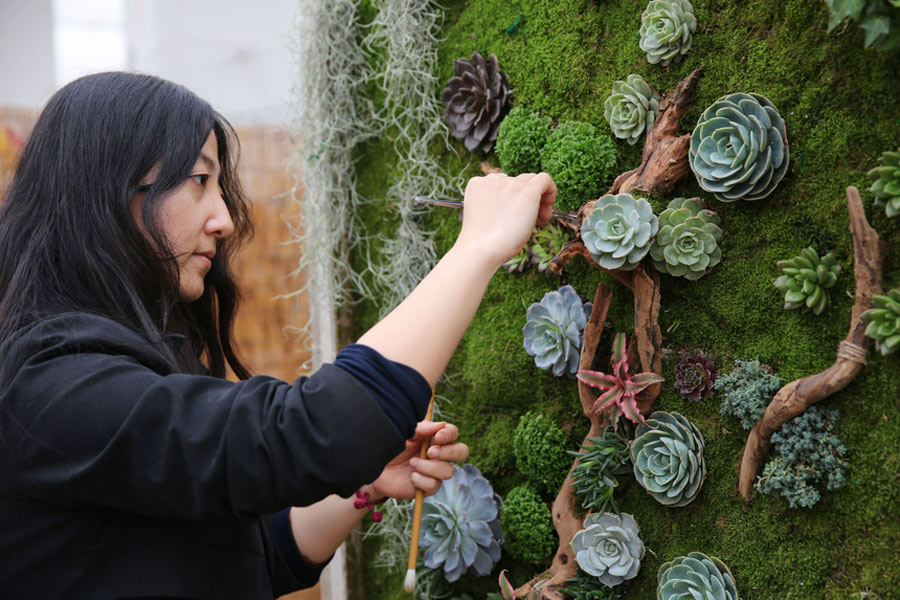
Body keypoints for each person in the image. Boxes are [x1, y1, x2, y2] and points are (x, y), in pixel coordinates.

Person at [0, 72, 556, 599]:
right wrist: (476, 247)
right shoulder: (50, 382)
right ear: (108, 192)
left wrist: (365, 484)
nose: (224, 219)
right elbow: (311, 431)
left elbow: (247, 560)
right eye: (199, 181)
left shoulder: (109, 366)